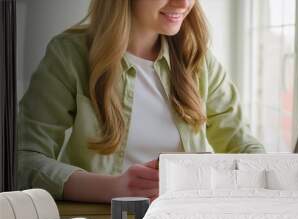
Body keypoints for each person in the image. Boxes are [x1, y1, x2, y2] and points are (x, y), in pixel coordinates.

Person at [17, 0, 265, 203]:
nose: (184, 3)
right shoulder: (69, 56)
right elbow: (24, 159)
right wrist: (112, 188)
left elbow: (244, 147)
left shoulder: (199, 60)